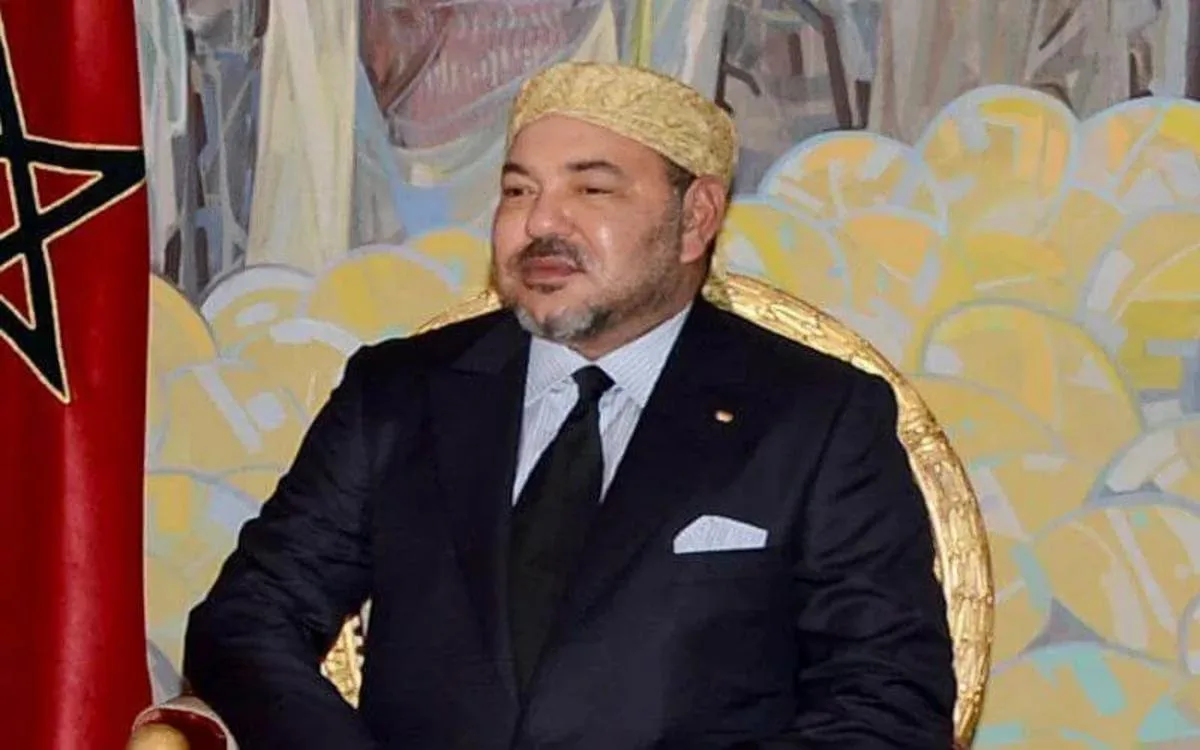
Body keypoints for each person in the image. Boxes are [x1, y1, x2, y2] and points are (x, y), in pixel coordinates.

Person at [183, 61, 956, 749]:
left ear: (695, 218)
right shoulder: (398, 393)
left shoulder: (816, 418)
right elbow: (247, 619)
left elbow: (884, 703)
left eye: (591, 189)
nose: (540, 223)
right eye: (519, 190)